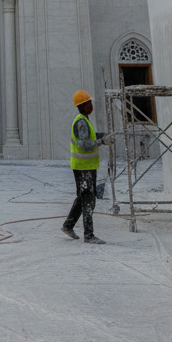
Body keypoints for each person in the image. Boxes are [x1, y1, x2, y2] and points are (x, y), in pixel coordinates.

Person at [62, 90, 109, 244]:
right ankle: (89, 235)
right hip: (83, 168)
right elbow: (86, 144)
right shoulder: (81, 122)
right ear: (82, 106)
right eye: (89, 103)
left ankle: (68, 225)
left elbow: (89, 137)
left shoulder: (84, 119)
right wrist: (102, 142)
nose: (91, 106)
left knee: (83, 197)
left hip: (85, 166)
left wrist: (103, 136)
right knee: (88, 199)